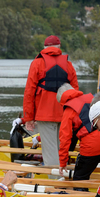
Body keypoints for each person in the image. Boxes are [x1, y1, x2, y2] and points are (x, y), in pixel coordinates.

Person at [20, 35, 79, 166]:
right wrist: (74, 115)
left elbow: (29, 92)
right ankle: (62, 177)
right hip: (65, 113)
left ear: (44, 48)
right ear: (59, 47)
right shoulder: (68, 65)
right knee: (61, 148)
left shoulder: (37, 63)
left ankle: (55, 182)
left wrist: (28, 118)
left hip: (44, 114)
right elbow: (75, 92)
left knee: (50, 150)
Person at [56, 84, 100, 182]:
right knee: (86, 170)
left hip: (91, 146)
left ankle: (83, 194)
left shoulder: (69, 109)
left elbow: (64, 138)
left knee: (79, 179)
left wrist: (63, 162)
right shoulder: (91, 98)